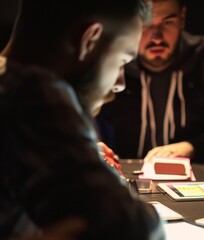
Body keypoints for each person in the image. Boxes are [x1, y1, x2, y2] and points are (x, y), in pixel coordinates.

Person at [0, 0, 165, 239]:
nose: (120, 84)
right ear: (89, 40)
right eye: (121, 61)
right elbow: (133, 227)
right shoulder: (31, 92)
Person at [96, 0, 204, 162]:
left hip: (195, 176)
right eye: (146, 24)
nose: (156, 38)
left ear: (182, 18)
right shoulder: (112, 62)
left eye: (168, 22)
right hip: (118, 174)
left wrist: (194, 147)